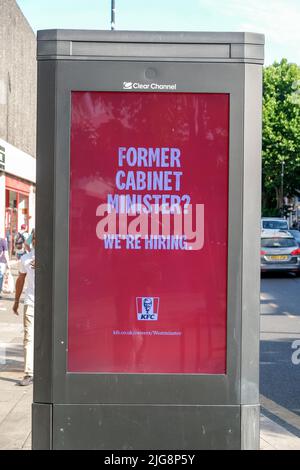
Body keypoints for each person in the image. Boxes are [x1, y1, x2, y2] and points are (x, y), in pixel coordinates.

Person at [13, 230, 35, 386]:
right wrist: (16, 301)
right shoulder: (26, 259)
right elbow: (20, 280)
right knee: (29, 336)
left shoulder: (52, 257)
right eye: (34, 238)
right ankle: (29, 372)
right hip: (31, 302)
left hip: (48, 304)